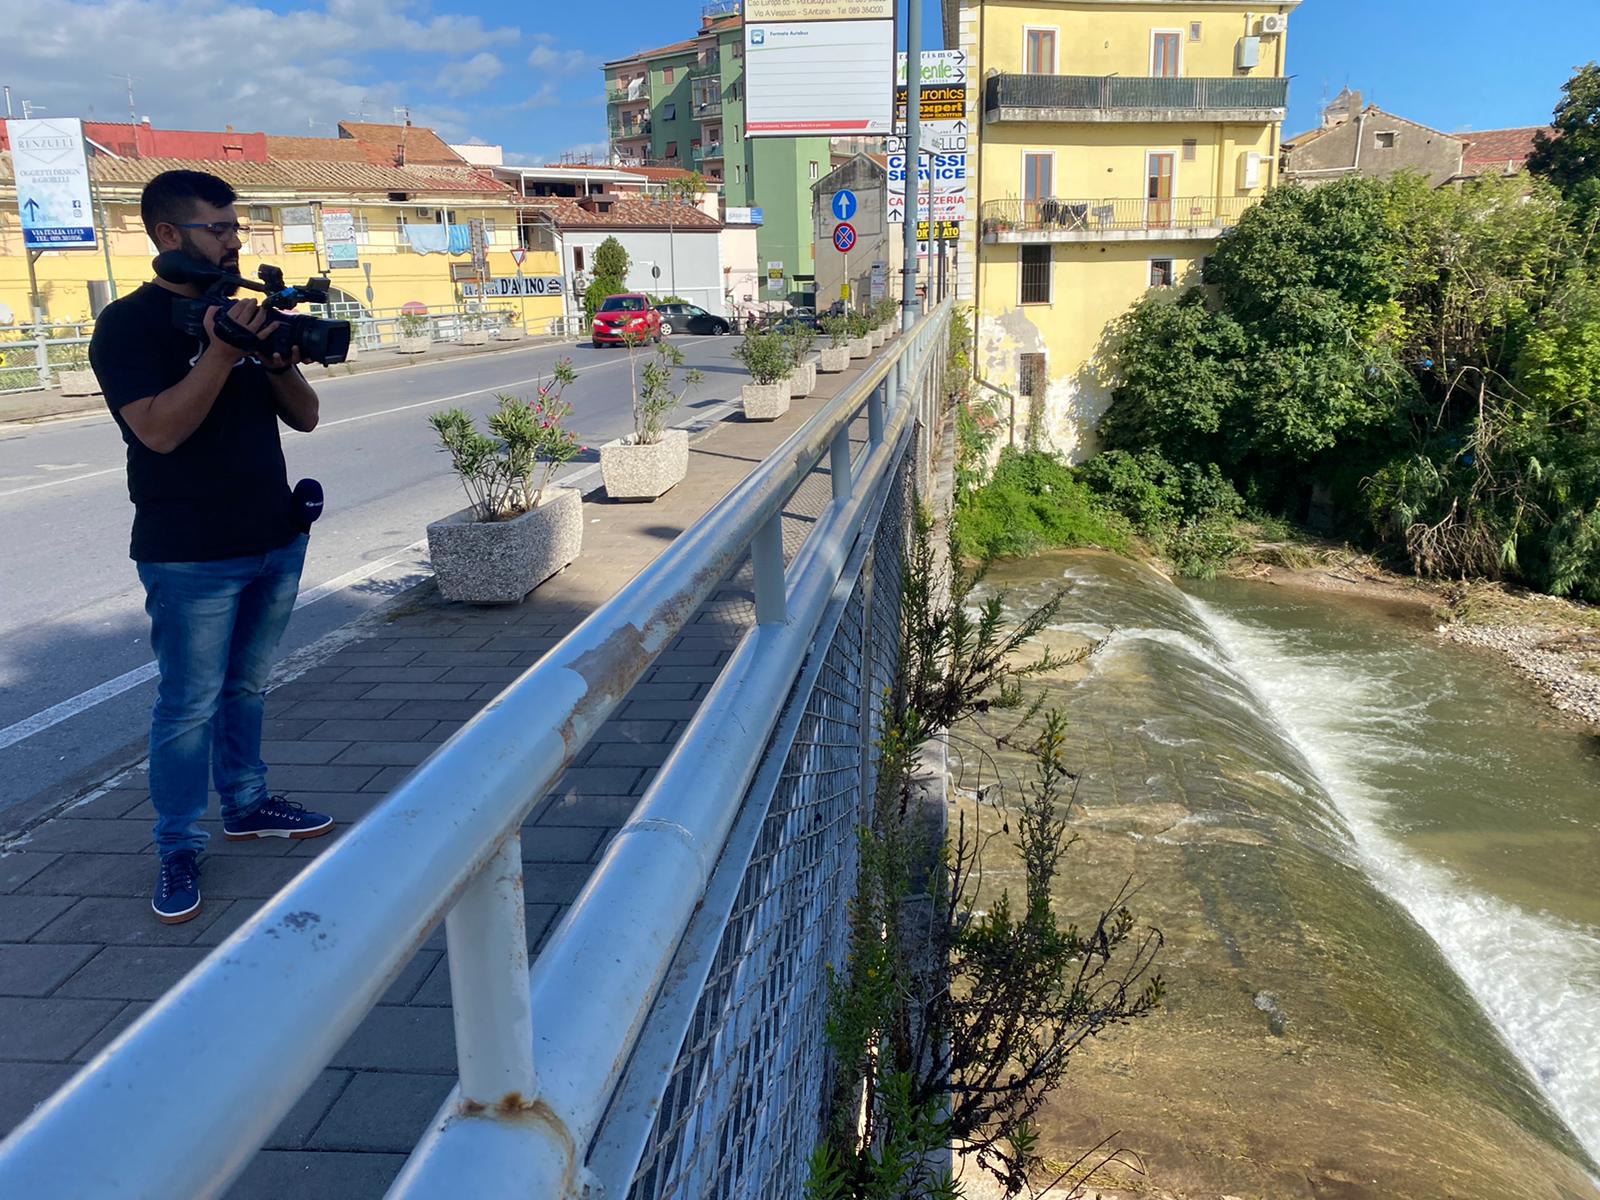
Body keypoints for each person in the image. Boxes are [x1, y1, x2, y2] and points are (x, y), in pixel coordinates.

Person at [89, 170, 334, 925]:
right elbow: (158, 431)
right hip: (188, 553)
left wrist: (273, 357)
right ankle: (177, 844)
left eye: (237, 228)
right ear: (168, 236)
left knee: (247, 688)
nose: (235, 241)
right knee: (187, 704)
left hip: (273, 536)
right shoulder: (127, 326)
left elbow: (307, 418)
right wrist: (219, 355)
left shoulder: (241, 315)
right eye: (218, 229)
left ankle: (249, 804)